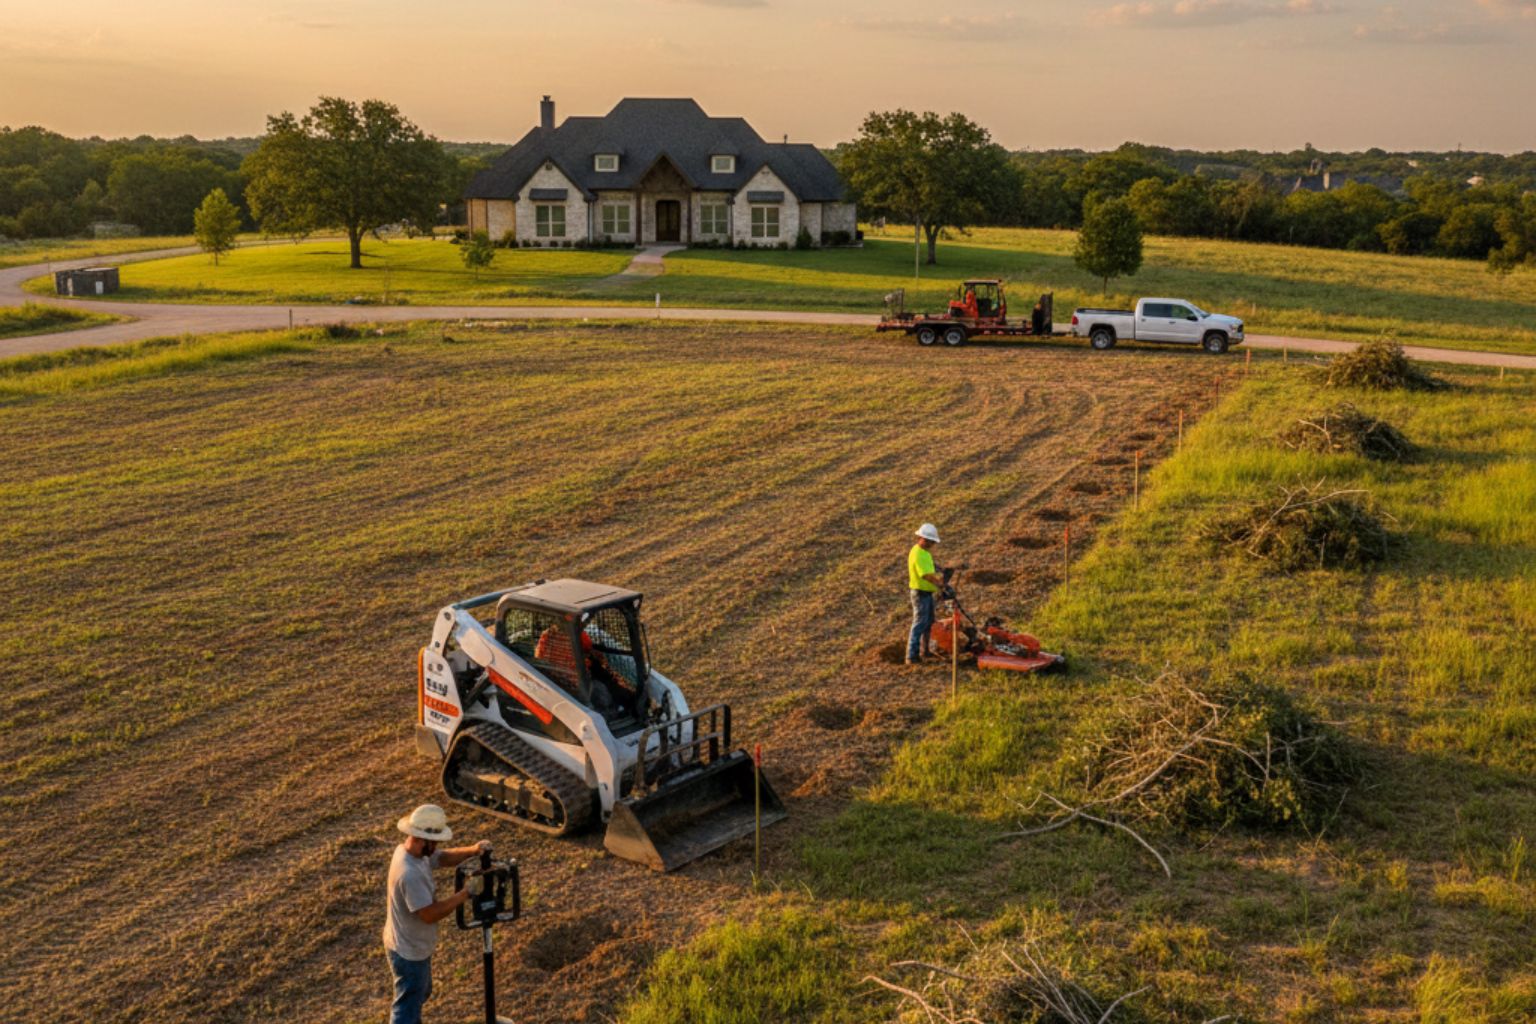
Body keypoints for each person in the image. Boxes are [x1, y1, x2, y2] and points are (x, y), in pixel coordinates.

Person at [383, 804, 491, 1024]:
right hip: (409, 950)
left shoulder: (412, 851)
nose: (436, 847)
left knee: (418, 993)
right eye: (433, 842)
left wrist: (472, 850)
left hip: (409, 942)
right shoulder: (409, 873)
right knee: (407, 1007)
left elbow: (441, 858)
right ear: (420, 838)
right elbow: (429, 915)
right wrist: (466, 893)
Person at [906, 523, 948, 665]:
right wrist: (940, 584)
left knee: (929, 622)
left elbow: (929, 565)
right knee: (919, 623)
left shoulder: (923, 552)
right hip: (920, 593)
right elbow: (925, 575)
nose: (932, 544)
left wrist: (940, 569)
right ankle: (912, 656)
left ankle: (926, 651)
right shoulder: (918, 554)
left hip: (927, 593)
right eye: (930, 541)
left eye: (933, 542)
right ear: (922, 538)